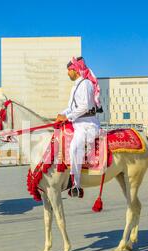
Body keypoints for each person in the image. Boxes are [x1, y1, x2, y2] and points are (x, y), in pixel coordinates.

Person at [56, 56, 101, 198]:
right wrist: (61, 114)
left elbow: (85, 107)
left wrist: (67, 117)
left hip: (87, 124)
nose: (67, 73)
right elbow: (71, 107)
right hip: (78, 123)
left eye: (69, 70)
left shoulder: (86, 84)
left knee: (75, 147)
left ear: (75, 69)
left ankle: (76, 184)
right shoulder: (75, 86)